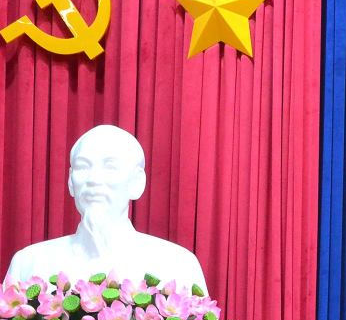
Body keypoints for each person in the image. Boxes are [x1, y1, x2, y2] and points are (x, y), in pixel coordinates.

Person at [4, 124, 207, 291]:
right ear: (70, 182)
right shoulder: (29, 263)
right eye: (83, 167)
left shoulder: (177, 265)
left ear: (137, 182)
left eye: (110, 166)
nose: (93, 179)